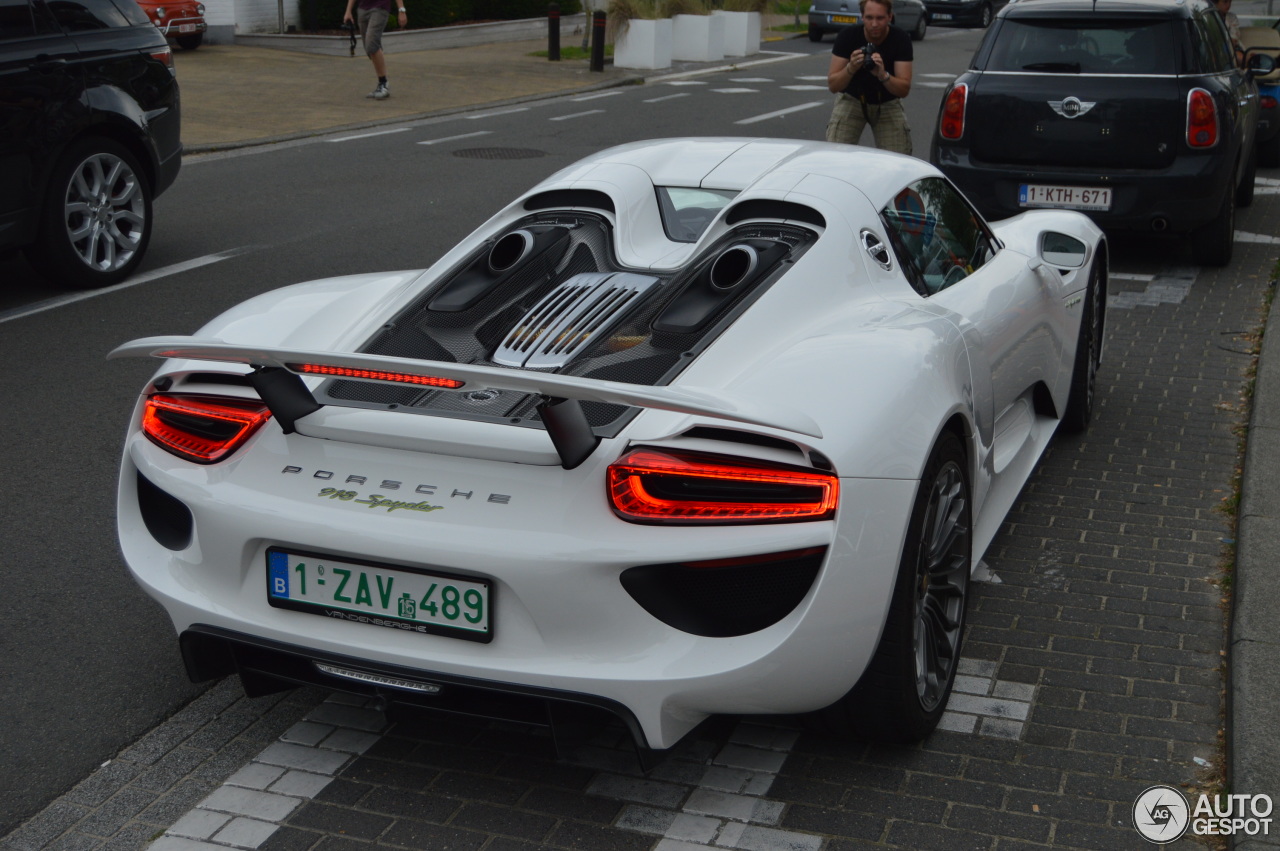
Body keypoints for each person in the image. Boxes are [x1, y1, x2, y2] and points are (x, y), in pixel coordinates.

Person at [825, 0, 914, 155]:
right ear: (862, 17)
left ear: (889, 17)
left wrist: (883, 74)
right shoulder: (847, 36)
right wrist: (850, 68)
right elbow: (833, 86)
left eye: (880, 18)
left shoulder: (901, 39)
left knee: (899, 159)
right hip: (852, 99)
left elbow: (903, 89)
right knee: (835, 154)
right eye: (869, 17)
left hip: (887, 102)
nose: (874, 24)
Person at [343, 0, 407, 99]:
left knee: (371, 44)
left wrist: (401, 10)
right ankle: (380, 84)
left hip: (380, 8)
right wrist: (348, 11)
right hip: (363, 9)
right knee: (369, 48)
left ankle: (383, 83)